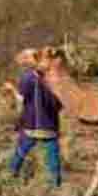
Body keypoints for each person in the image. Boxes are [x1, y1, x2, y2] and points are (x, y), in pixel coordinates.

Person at [10, 58, 65, 187]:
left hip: (31, 125)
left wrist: (12, 89)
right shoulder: (55, 81)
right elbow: (61, 104)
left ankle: (11, 176)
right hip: (51, 126)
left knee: (21, 152)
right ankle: (55, 185)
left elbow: (21, 99)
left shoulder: (27, 78)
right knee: (53, 158)